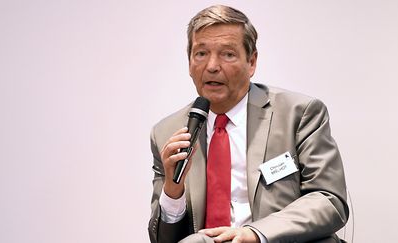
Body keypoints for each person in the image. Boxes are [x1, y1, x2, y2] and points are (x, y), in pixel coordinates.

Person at [148, 5, 349, 243]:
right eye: (201, 54)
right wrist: (173, 191)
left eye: (227, 54)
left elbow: (329, 200)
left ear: (251, 62)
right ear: (189, 62)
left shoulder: (298, 114)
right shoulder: (167, 132)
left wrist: (255, 234)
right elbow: (163, 240)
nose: (212, 66)